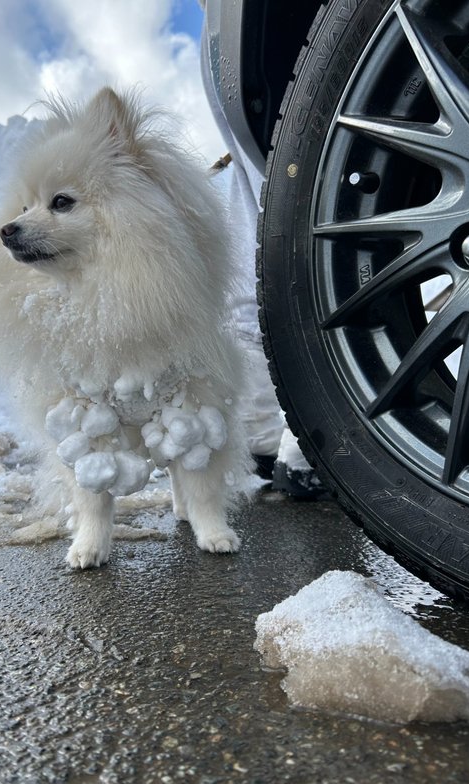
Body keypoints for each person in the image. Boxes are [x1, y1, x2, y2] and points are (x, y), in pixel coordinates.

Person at [199, 3, 322, 497]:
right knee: (300, 202)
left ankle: (267, 429)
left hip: (231, 31)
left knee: (263, 199)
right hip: (267, 28)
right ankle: (296, 439)